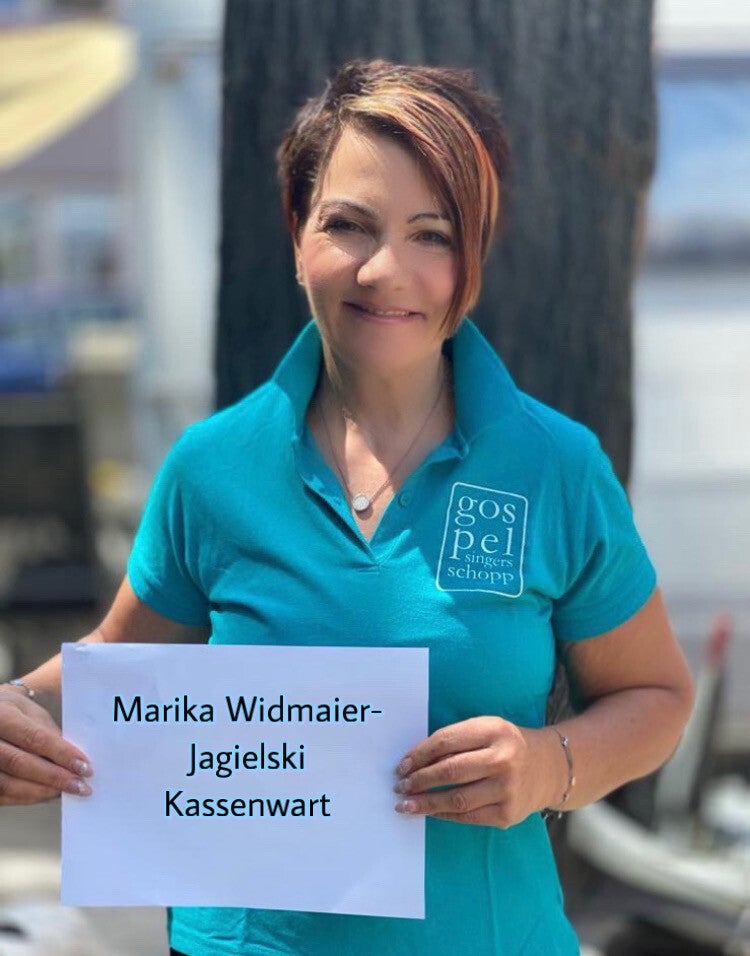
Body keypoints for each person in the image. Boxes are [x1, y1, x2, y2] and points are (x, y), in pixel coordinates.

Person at [0, 60, 693, 955]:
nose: (384, 269)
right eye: (347, 224)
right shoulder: (212, 467)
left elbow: (655, 696)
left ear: (474, 257)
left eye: (431, 234)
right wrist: (18, 704)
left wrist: (548, 765)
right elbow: (115, 667)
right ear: (298, 235)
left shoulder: (556, 467)